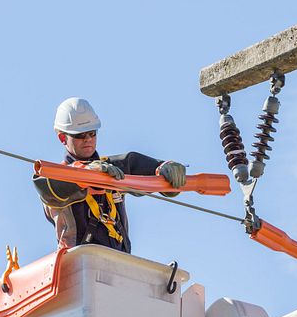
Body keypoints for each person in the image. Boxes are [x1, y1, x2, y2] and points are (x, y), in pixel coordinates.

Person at [33, 97, 186, 252]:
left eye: (92, 133)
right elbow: (46, 188)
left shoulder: (110, 169)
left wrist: (164, 168)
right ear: (62, 138)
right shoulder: (57, 176)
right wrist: (87, 173)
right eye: (79, 135)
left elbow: (135, 164)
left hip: (117, 263)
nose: (88, 140)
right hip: (78, 265)